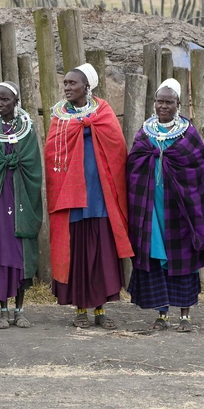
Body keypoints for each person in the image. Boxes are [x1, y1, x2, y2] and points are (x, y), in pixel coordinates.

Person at [44, 63, 134, 329]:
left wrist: (89, 129)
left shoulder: (103, 112)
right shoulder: (59, 117)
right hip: (72, 200)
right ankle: (80, 309)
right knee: (78, 254)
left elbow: (117, 148)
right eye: (66, 83)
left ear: (87, 87)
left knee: (101, 254)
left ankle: (101, 310)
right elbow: (52, 153)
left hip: (99, 197)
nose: (67, 87)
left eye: (73, 83)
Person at [126, 79, 204, 332]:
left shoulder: (188, 134)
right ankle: (162, 313)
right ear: (154, 103)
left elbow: (199, 168)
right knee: (156, 256)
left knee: (182, 258)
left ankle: (185, 315)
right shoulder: (145, 133)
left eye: (169, 102)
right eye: (160, 101)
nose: (163, 106)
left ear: (178, 104)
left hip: (180, 209)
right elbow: (133, 165)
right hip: (151, 208)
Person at [0, 81, 43, 329]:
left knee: (20, 252)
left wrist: (18, 161)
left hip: (20, 196)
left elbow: (34, 163)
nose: (0, 104)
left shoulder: (28, 129)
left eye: (5, 100)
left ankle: (20, 310)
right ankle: (2, 311)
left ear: (16, 102)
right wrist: (4, 163)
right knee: (0, 252)